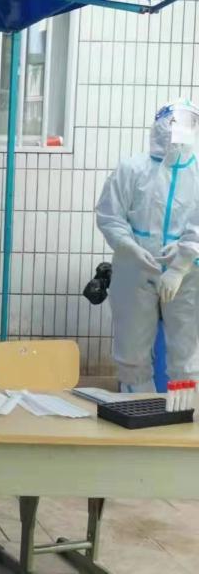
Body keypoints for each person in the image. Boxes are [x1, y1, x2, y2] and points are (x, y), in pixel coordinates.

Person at [96, 97, 199, 392]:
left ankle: (183, 412)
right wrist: (129, 247)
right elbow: (110, 215)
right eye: (174, 125)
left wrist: (181, 262)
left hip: (188, 274)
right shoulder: (132, 169)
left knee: (187, 351)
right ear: (159, 127)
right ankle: (137, 408)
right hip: (135, 269)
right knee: (131, 351)